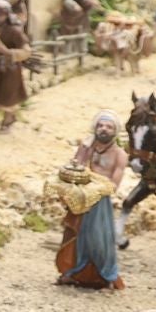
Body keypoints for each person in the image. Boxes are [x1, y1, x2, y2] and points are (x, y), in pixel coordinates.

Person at [57, 111, 127, 291]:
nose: (104, 129)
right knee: (74, 236)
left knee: (100, 239)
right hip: (80, 198)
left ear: (115, 131)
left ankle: (106, 276)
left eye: (109, 126)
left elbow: (113, 184)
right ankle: (72, 272)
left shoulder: (119, 154)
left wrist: (95, 187)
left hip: (100, 202)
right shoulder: (87, 147)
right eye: (100, 125)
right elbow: (74, 168)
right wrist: (84, 149)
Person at [0, 0, 31, 133]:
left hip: (10, 67)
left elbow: (26, 50)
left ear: (6, 14)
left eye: (1, 14)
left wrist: (10, 53)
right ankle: (9, 117)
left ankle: (8, 119)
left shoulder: (14, 31)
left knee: (8, 94)